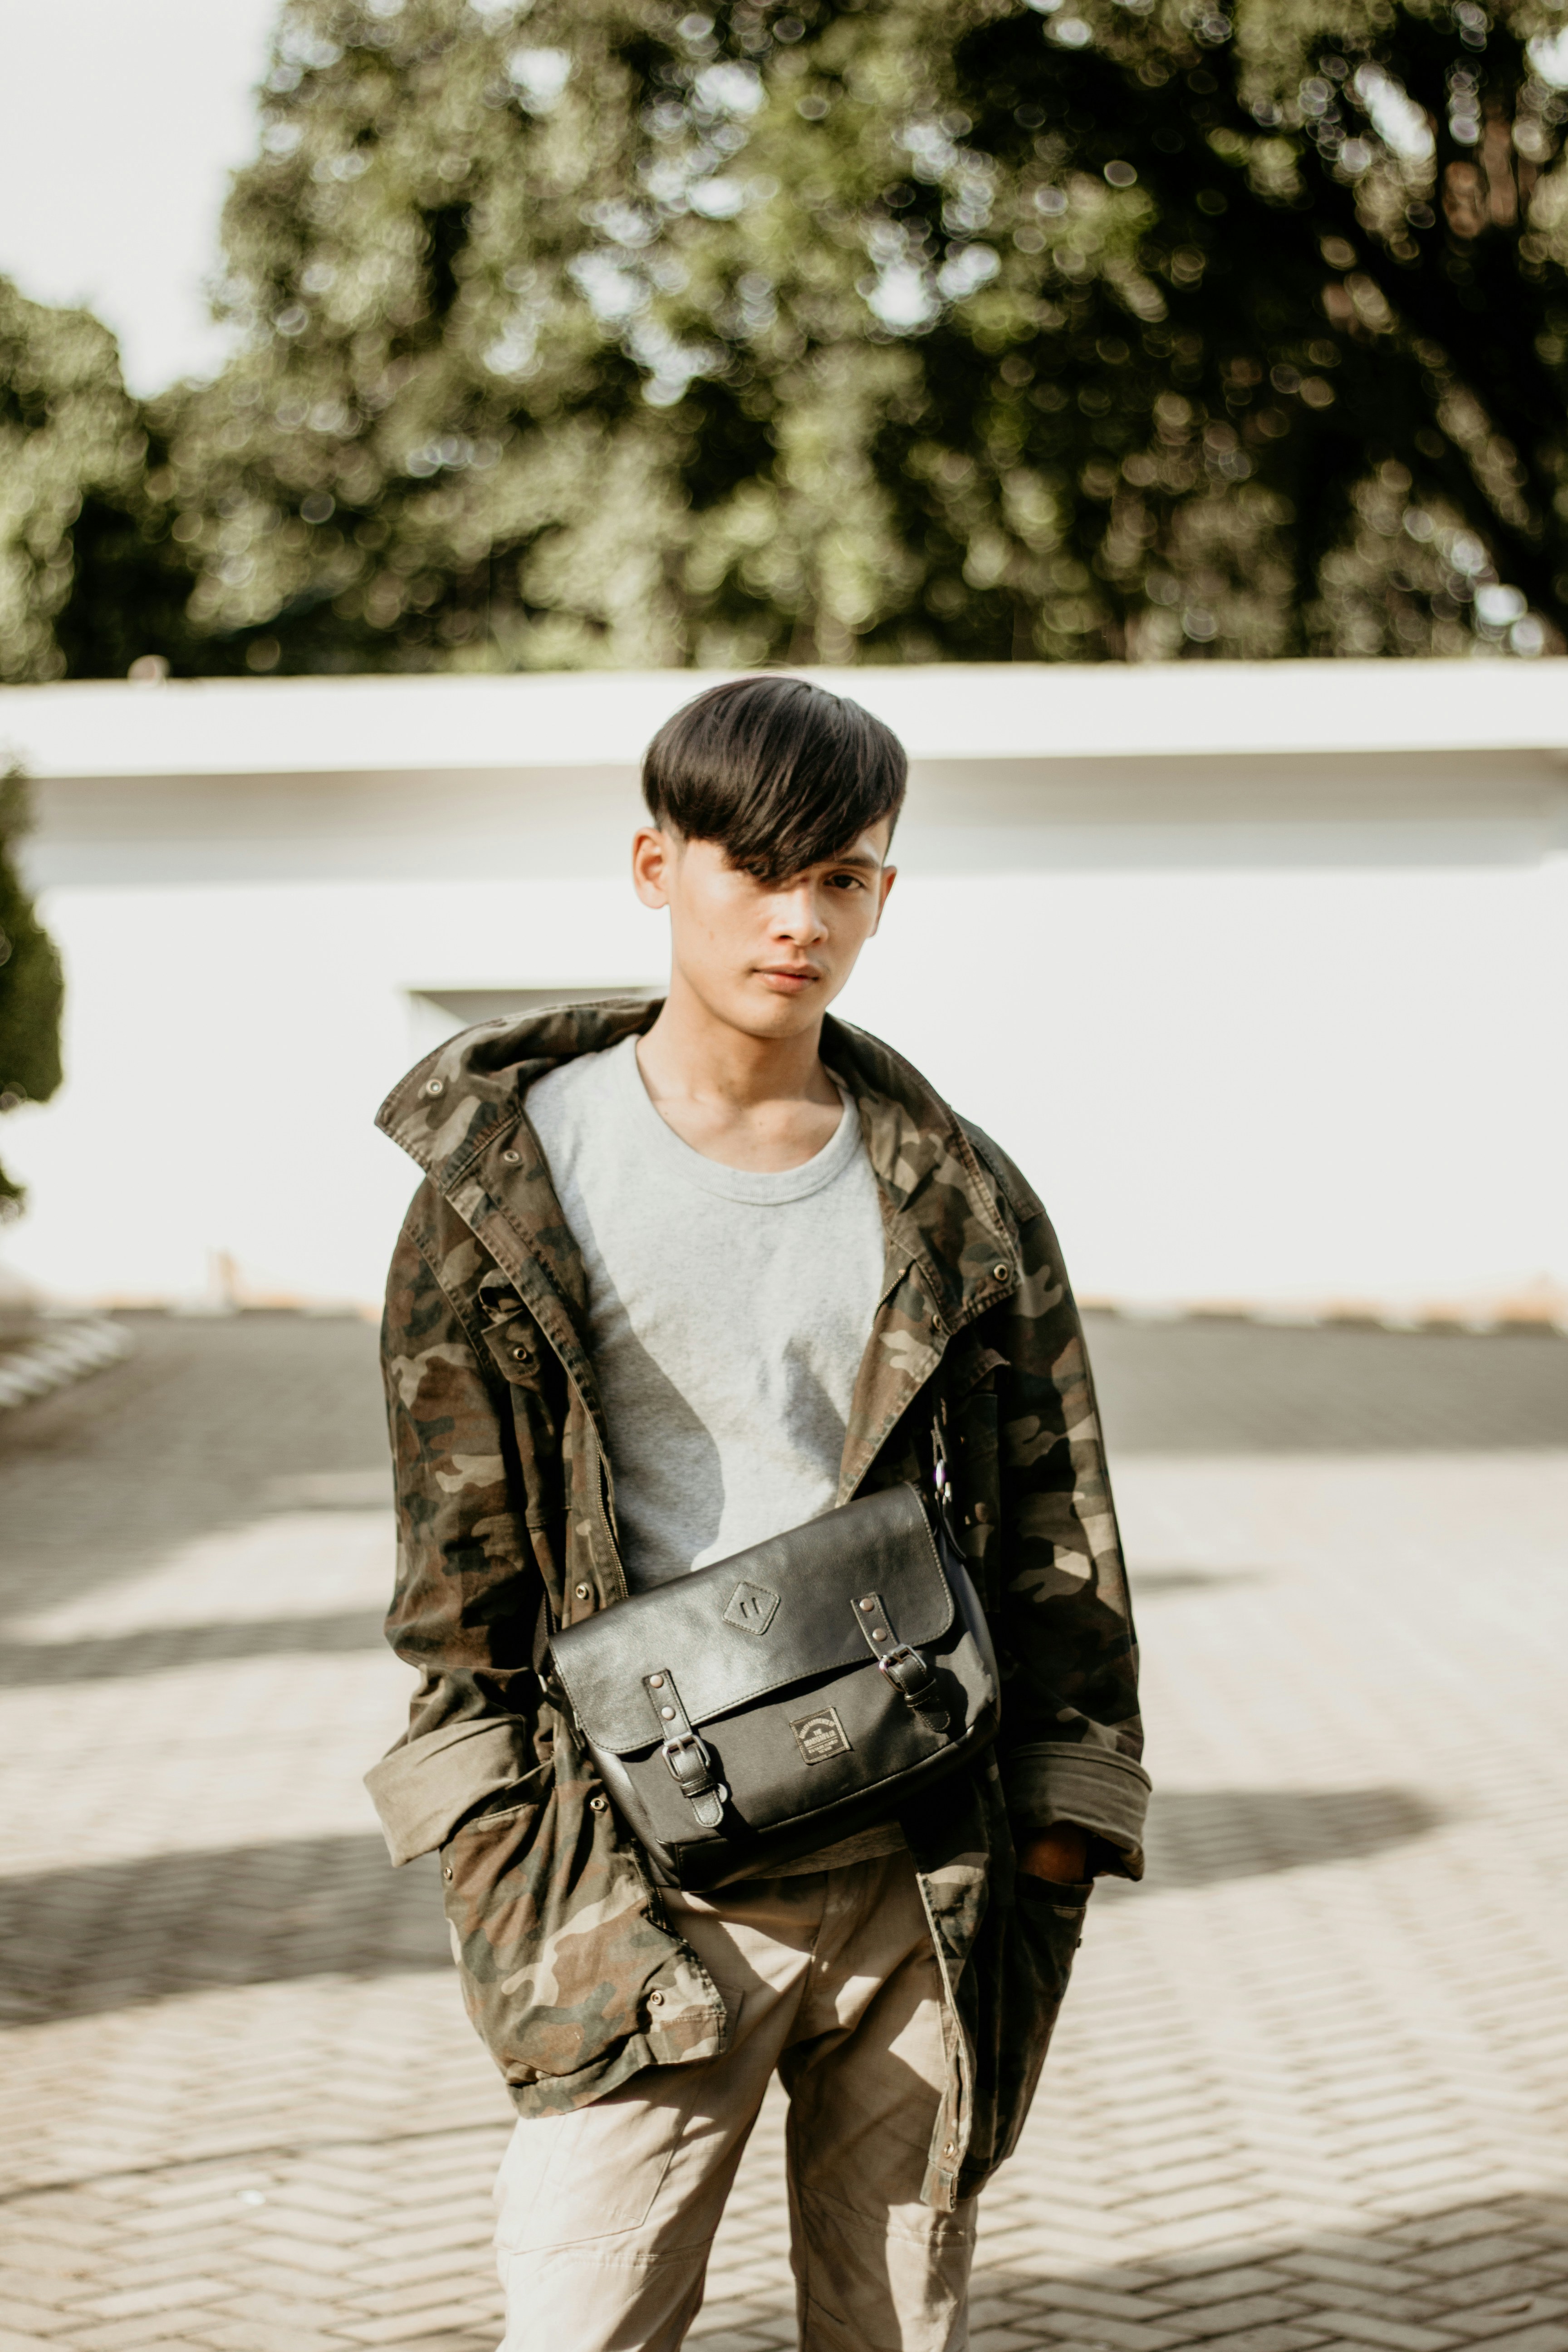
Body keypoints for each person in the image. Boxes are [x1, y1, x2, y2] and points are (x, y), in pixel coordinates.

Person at [366, 674, 1148, 2352]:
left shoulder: (953, 1186)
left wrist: (1058, 1844)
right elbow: (458, 1593)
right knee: (585, 2323)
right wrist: (519, 1878)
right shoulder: (509, 1188)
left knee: (893, 2333)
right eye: (755, 869)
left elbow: (1055, 1527)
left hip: (917, 1865)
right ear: (659, 867)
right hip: (632, 1882)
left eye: (843, 878)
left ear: (884, 893)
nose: (798, 921)